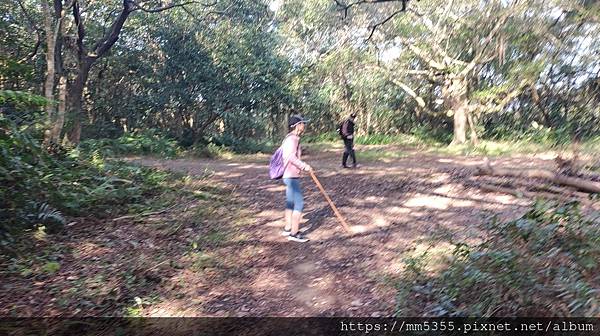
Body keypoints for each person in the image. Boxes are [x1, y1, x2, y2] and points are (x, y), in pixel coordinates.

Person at [281, 115, 313, 243]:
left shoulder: (290, 138)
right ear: (297, 125)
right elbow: (290, 157)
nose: (304, 126)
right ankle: (294, 233)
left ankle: (288, 228)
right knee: (299, 203)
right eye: (303, 123)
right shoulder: (293, 139)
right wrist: (304, 166)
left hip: (289, 175)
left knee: (290, 202)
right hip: (291, 176)